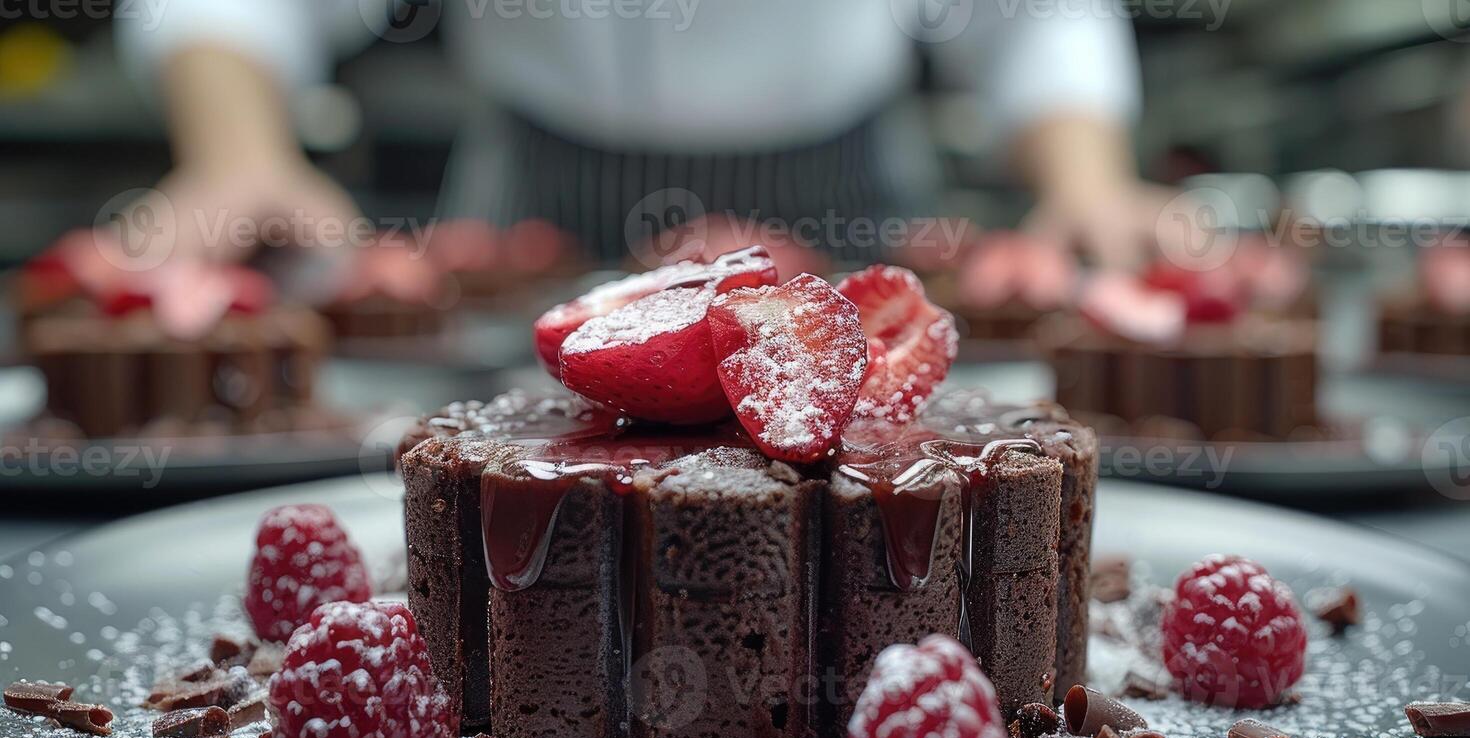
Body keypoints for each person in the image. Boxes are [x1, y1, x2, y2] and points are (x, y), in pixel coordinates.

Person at [114, 0, 1159, 271]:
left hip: (844, 217)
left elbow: (1034, 17)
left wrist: (1089, 180)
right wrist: (238, 153)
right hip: (532, 225)